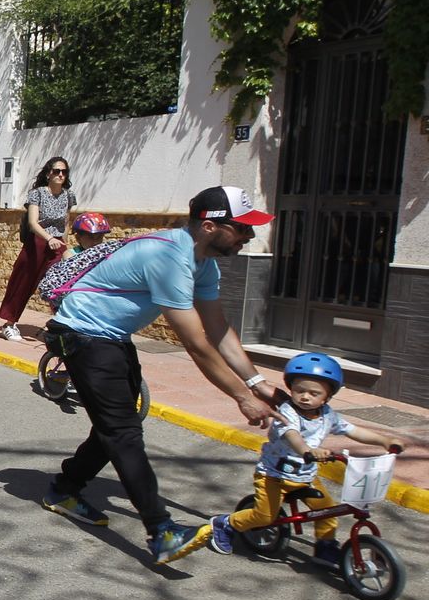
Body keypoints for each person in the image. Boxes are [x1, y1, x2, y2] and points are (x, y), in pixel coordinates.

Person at [40, 185, 280, 564]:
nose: (249, 237)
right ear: (209, 226)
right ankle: (161, 530)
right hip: (83, 335)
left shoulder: (203, 263)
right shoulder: (168, 256)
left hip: (111, 338)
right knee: (123, 432)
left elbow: (218, 330)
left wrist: (257, 382)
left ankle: (64, 488)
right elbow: (198, 344)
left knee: (119, 424)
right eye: (242, 228)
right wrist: (242, 398)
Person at [198, 353, 407, 563]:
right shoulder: (287, 412)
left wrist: (385, 441)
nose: (305, 396)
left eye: (314, 393)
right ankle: (225, 524)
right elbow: (292, 435)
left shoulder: (328, 414)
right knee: (264, 517)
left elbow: (353, 430)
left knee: (327, 512)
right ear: (291, 389)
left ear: (327, 397)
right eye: (299, 391)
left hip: (305, 475)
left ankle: (325, 546)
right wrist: (307, 450)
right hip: (274, 475)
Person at [0, 156, 78, 341]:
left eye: (64, 172)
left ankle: (60, 325)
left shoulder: (68, 195)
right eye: (56, 171)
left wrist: (64, 244)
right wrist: (49, 238)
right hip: (38, 242)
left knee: (60, 284)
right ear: (48, 173)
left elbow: (66, 222)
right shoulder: (38, 193)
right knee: (24, 282)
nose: (60, 175)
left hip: (57, 243)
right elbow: (33, 223)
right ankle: (9, 323)